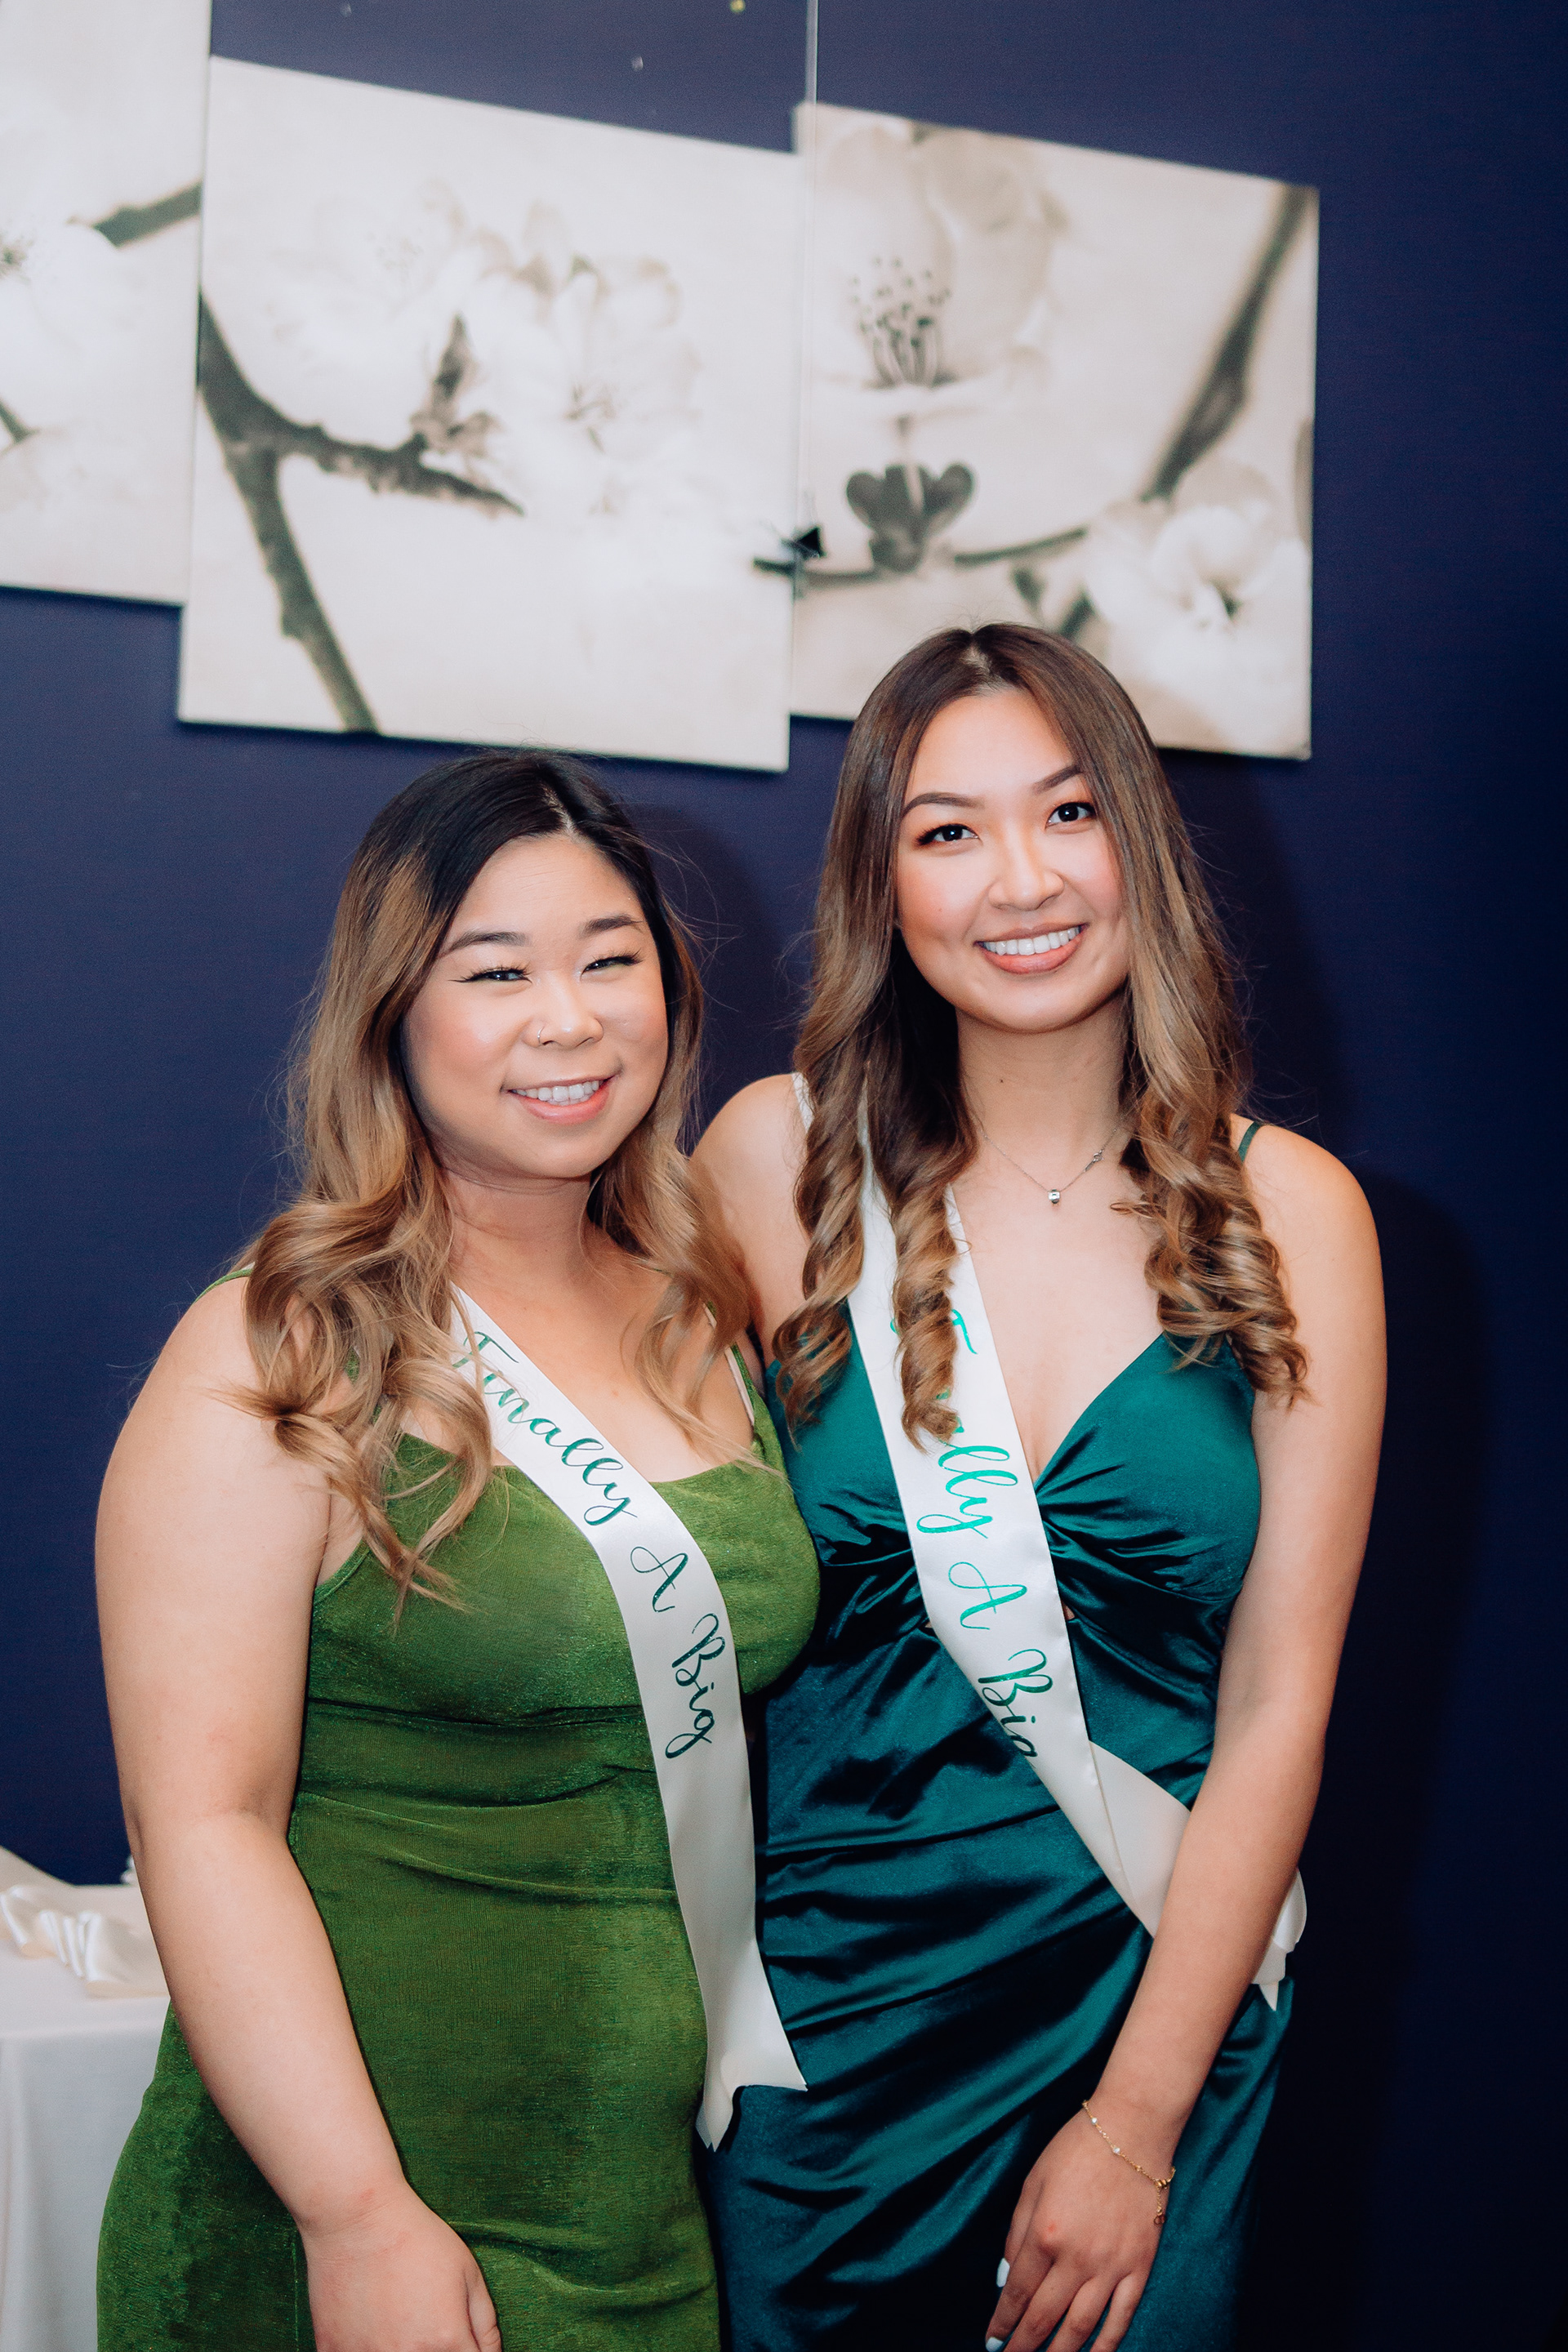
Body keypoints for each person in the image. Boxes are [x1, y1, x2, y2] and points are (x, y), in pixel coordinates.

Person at [696, 625, 1384, 2352]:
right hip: (830, 2040)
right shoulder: (776, 1164)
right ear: (883, 884)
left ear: (1139, 840)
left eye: (1069, 812)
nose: (1022, 879)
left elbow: (1283, 1705)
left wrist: (1137, 2130)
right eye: (949, 830)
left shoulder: (1295, 1213)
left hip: (1156, 2014)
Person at [96, 753, 819, 2352]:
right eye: (495, 974)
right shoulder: (280, 1347)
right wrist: (356, 2216)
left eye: (609, 960)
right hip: (356, 2218)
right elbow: (203, 1821)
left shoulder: (704, 1312)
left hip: (636, 2215)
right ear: (392, 1016)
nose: (569, 1021)